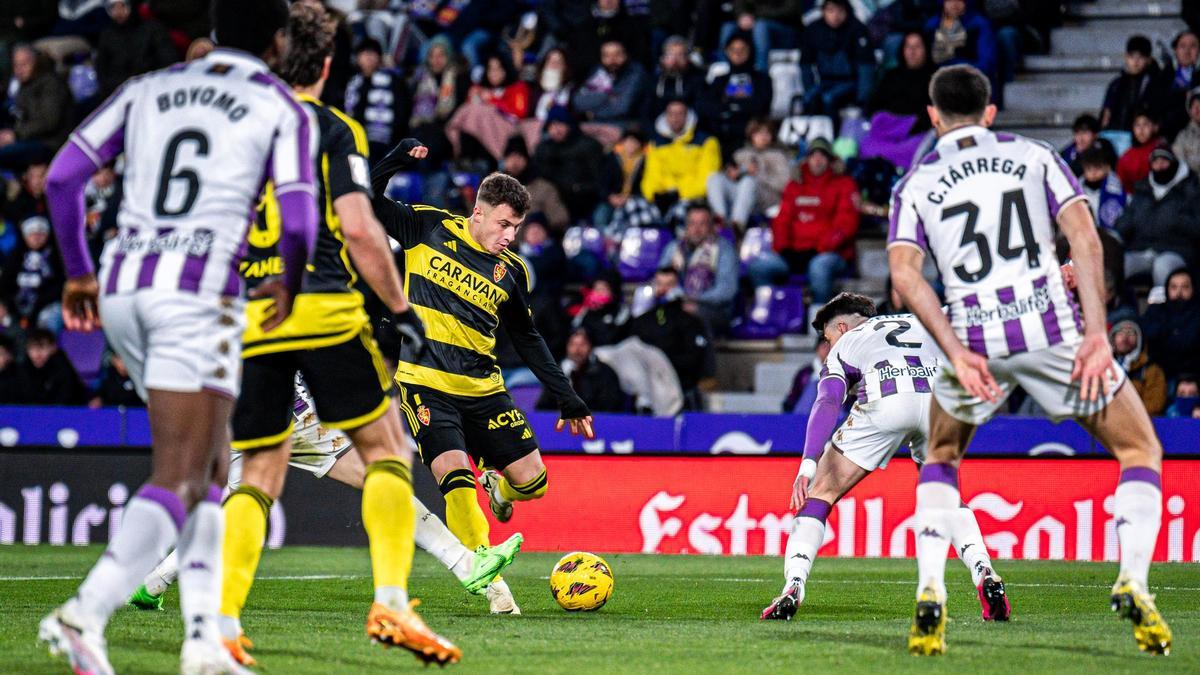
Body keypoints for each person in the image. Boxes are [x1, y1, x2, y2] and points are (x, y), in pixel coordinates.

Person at [37, 1, 321, 672]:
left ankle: (202, 639)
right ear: (278, 42)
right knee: (184, 474)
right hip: (196, 295)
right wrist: (286, 278)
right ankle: (86, 610)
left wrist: (77, 271)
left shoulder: (148, 88)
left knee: (212, 470)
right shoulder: (279, 103)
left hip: (122, 285)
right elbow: (302, 216)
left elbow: (61, 177)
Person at [203, 5, 462, 666]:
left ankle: (223, 624)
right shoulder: (329, 127)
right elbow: (358, 227)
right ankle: (392, 601)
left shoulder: (235, 127)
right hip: (323, 306)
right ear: (324, 64)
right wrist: (401, 307)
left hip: (256, 314)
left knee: (256, 473)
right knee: (387, 451)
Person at [889, 65, 1171, 656]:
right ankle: (1134, 580)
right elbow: (1087, 240)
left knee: (941, 455)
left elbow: (904, 280)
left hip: (973, 339)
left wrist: (956, 350)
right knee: (1139, 448)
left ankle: (932, 590)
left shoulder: (914, 183)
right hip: (1052, 331)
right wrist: (1097, 331)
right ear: (991, 112)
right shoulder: (1036, 155)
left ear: (934, 116)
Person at [369, 146, 594, 610]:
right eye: (504, 224)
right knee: (454, 476)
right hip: (425, 384)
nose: (510, 235)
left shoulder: (511, 272)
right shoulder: (427, 227)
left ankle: (499, 486)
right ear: (478, 213)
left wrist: (568, 397)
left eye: (516, 227)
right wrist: (394, 157)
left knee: (534, 484)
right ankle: (493, 584)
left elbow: (528, 339)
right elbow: (365, 199)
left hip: (485, 390)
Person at [129, 378, 525, 627]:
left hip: (301, 414)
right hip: (252, 419)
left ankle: (467, 565)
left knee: (382, 480)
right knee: (231, 518)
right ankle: (154, 583)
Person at [761, 293, 1008, 622]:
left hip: (888, 400)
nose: (827, 345)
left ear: (843, 326)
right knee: (947, 498)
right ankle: (984, 572)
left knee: (820, 492)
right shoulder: (918, 318)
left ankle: (794, 585)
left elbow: (827, 402)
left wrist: (808, 464)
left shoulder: (848, 343)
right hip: (939, 403)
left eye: (827, 336)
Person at [752, 138, 859, 303]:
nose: (817, 160)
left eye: (822, 155)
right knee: (759, 267)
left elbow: (846, 224)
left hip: (829, 253)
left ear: (830, 160)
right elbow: (781, 221)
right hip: (793, 254)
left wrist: (820, 248)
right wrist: (784, 248)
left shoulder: (844, 184)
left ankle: (819, 321)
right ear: (807, 158)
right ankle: (770, 311)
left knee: (818, 267)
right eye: (813, 155)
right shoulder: (795, 185)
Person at [628, 266, 713, 410]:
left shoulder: (690, 321)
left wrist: (664, 363)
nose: (663, 290)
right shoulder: (641, 321)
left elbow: (695, 359)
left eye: (669, 285)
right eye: (659, 284)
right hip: (647, 388)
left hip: (679, 387)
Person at [1115, 144, 1200, 288]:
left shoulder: (1190, 188)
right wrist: (1114, 235)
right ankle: (1122, 308)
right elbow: (1127, 220)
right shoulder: (1143, 189)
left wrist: (1177, 220)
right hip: (1142, 249)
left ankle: (1160, 308)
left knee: (1162, 266)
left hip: (1177, 251)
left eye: (1164, 161)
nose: (1159, 166)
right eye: (1155, 162)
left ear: (1173, 162)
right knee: (1118, 264)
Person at [657, 202, 739, 334]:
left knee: (691, 315)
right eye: (692, 223)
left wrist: (693, 298)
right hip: (676, 305)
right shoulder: (674, 248)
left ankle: (704, 353)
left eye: (702, 224)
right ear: (686, 226)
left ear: (711, 227)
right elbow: (659, 278)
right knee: (658, 315)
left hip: (714, 310)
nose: (696, 229)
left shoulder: (724, 250)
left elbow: (726, 291)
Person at [706, 119, 791, 233]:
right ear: (751, 135)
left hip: (766, 198)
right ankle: (720, 220)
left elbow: (784, 184)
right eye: (759, 133)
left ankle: (737, 227)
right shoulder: (741, 154)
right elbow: (730, 175)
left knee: (749, 182)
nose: (763, 137)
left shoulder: (779, 156)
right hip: (740, 196)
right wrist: (732, 174)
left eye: (767, 133)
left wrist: (759, 174)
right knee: (714, 178)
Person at [445, 52, 530, 163]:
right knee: (471, 112)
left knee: (482, 112)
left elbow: (519, 114)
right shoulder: (479, 88)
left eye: (498, 68)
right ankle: (465, 158)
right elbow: (467, 115)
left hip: (505, 131)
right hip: (475, 134)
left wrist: (492, 100)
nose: (494, 73)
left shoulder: (517, 87)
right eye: (491, 69)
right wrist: (475, 97)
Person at [698, 34, 772, 157]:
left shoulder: (762, 79)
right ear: (727, 52)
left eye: (742, 49)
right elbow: (708, 107)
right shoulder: (720, 80)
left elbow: (760, 106)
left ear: (750, 51)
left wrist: (728, 103)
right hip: (721, 133)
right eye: (733, 50)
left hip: (748, 135)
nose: (738, 53)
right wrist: (740, 104)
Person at [0, 45, 73, 171]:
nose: (19, 70)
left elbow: (49, 122)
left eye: (24, 64)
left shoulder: (51, 83)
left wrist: (15, 134)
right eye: (16, 65)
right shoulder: (24, 86)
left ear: (36, 62)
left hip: (50, 143)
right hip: (28, 139)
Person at [642, 100, 722, 210]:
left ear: (687, 116)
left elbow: (707, 179)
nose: (675, 118)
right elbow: (651, 177)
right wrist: (656, 195)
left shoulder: (706, 142)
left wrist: (679, 194)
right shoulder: (655, 144)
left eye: (680, 114)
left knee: (681, 211)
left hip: (693, 200)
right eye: (671, 114)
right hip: (661, 199)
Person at [799, 0, 875, 116]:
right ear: (823, 11)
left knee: (828, 98)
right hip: (825, 81)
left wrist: (862, 99)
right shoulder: (813, 30)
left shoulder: (857, 29)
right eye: (831, 11)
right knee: (808, 98)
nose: (835, 16)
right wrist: (809, 88)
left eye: (840, 11)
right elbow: (805, 63)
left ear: (846, 11)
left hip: (850, 83)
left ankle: (832, 131)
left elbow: (866, 66)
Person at [532, 107, 607, 223]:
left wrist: (579, 188)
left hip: (586, 201)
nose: (556, 130)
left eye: (560, 124)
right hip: (553, 204)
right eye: (552, 126)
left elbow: (600, 179)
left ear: (569, 125)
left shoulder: (588, 145)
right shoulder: (543, 149)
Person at [94, 0, 177, 99]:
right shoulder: (106, 36)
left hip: (154, 92)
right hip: (121, 97)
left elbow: (168, 61)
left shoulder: (153, 29)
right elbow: (103, 74)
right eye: (113, 7)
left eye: (123, 6)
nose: (118, 11)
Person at [407, 36, 469, 168]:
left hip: (446, 131)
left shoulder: (458, 78)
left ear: (449, 57)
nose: (436, 60)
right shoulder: (420, 80)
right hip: (421, 128)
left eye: (441, 55)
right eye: (432, 56)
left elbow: (460, 110)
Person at [344, 38, 410, 162]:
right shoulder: (351, 83)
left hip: (387, 145)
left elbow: (402, 113)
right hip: (356, 143)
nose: (369, 58)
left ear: (379, 58)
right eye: (365, 54)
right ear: (357, 58)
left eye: (372, 54)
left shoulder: (394, 82)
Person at [573, 39, 648, 142]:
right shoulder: (598, 71)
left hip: (625, 127)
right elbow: (578, 102)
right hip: (595, 125)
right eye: (606, 55)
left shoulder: (635, 73)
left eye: (617, 54)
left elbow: (622, 107)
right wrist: (607, 95)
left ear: (626, 55)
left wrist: (593, 111)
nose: (612, 60)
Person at [538, 328, 627, 413]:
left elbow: (610, 405)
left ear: (590, 347)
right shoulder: (558, 372)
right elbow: (544, 405)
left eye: (582, 344)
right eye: (573, 344)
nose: (577, 350)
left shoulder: (604, 372)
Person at [0, 216, 64, 333]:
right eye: (32, 234)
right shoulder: (15, 256)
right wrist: (8, 304)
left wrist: (38, 302)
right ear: (25, 236)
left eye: (41, 234)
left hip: (45, 305)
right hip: (16, 305)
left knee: (50, 317)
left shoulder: (56, 256)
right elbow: (5, 284)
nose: (36, 237)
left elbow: (60, 284)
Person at [1141, 268, 1200, 380]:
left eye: (1185, 287)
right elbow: (1150, 336)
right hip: (1160, 374)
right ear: (1167, 289)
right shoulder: (1156, 311)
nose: (1179, 292)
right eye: (1174, 287)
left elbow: (1190, 342)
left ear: (1193, 289)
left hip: (1193, 376)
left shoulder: (1197, 313)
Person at [867, 31, 936, 128]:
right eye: (908, 46)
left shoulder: (936, 78)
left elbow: (935, 113)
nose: (912, 51)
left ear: (926, 49)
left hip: (919, 132)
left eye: (917, 46)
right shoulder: (891, 75)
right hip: (888, 129)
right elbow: (874, 106)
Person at [924, 0, 997, 84]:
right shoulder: (931, 26)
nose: (955, 3)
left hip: (973, 80)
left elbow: (986, 63)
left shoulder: (980, 24)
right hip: (941, 81)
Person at [15, 327, 88, 405]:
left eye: (42, 347)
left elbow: (68, 395)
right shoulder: (23, 369)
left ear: (53, 348)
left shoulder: (62, 367)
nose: (37, 354)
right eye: (32, 348)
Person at [1102, 36, 1160, 132]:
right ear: (1126, 57)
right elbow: (1106, 115)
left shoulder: (1155, 85)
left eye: (1141, 57)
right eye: (1132, 56)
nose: (1135, 62)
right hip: (1116, 136)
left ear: (1149, 59)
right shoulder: (1115, 85)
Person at [1110, 320, 1167, 416]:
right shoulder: (1102, 368)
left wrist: (1126, 415)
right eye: (1120, 332)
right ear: (1112, 338)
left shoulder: (1151, 370)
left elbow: (1155, 404)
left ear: (1139, 339)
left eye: (1131, 333)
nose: (1125, 337)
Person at [1154, 30, 1200, 139]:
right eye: (1182, 46)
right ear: (1175, 50)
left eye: (1193, 46)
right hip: (1166, 136)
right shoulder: (1162, 77)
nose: (1187, 51)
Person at [650, 35, 705, 118]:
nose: (675, 60)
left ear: (687, 59)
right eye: (670, 54)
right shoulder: (653, 81)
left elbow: (700, 111)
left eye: (680, 55)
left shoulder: (697, 81)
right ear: (662, 58)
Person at [1078, 146, 1126, 232]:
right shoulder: (1077, 192)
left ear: (1107, 168)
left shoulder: (1118, 190)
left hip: (1112, 237)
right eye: (1089, 169)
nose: (1093, 173)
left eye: (1097, 168)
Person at [1116, 112, 1164, 191]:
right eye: (1137, 125)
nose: (1141, 130)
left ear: (1155, 127)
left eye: (1146, 124)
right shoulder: (1126, 156)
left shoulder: (1162, 150)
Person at [1171, 88, 1200, 173]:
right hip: (1192, 184)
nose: (1197, 109)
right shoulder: (1182, 136)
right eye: (1193, 106)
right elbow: (1179, 164)